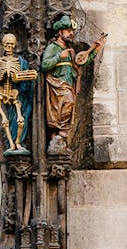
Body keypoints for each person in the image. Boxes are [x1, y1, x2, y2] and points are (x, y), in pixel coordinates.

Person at [40, 14, 104, 154]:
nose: (71, 34)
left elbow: (79, 62)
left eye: (72, 31)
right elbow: (44, 65)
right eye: (68, 31)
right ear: (60, 32)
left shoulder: (70, 51)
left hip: (68, 85)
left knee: (68, 106)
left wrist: (95, 51)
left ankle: (60, 136)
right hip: (57, 85)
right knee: (64, 106)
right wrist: (59, 56)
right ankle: (58, 135)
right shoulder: (53, 48)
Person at [0, 33, 37, 154]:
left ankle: (18, 142)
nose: (9, 46)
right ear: (3, 45)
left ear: (15, 45)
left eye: (11, 44)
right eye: (7, 44)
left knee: (20, 118)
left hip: (17, 94)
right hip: (3, 93)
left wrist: (20, 79)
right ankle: (11, 143)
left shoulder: (21, 61)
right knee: (7, 119)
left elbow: (27, 80)